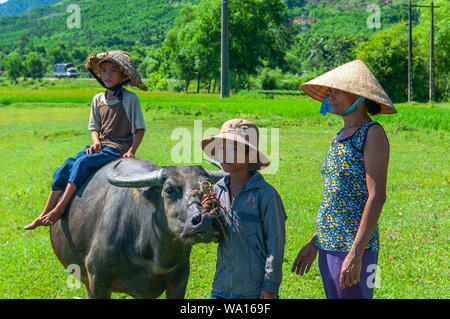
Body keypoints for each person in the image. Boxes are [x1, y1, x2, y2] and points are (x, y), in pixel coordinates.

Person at [291, 60, 396, 299]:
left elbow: (377, 196)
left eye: (337, 90)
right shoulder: (339, 136)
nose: (330, 95)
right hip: (329, 245)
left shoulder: (372, 133)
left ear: (359, 96)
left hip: (353, 249)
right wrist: (315, 242)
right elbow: (337, 198)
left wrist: (356, 254)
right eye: (330, 90)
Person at [24, 51, 148, 230]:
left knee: (82, 163)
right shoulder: (98, 99)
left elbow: (140, 129)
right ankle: (43, 214)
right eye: (103, 71)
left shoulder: (130, 99)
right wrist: (96, 141)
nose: (107, 75)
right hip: (101, 146)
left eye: (113, 71)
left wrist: (131, 151)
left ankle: (60, 208)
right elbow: (93, 128)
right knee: (64, 168)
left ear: (123, 75)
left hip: (118, 147)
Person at [201, 119, 287, 299]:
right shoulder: (218, 190)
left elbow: (275, 244)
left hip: (253, 291)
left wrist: (270, 286)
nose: (223, 154)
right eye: (221, 148)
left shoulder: (266, 195)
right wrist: (207, 217)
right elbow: (215, 237)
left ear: (249, 156)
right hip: (221, 288)